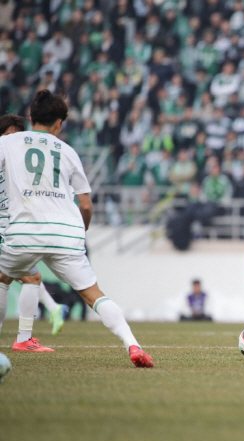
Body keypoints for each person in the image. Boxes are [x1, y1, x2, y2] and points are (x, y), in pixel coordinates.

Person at [0, 90, 153, 367]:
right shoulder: (68, 152)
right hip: (66, 233)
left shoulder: (9, 142)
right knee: (94, 294)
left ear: (32, 117)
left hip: (24, 230)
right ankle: (133, 344)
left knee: (2, 278)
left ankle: (16, 342)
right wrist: (79, 235)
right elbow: (85, 205)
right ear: (59, 124)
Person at [0, 114, 69, 340]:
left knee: (10, 278)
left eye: (16, 136)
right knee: (23, 278)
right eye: (8, 135)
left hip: (14, 227)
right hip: (5, 229)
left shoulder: (21, 167)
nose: (13, 140)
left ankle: (28, 333)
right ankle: (25, 337)